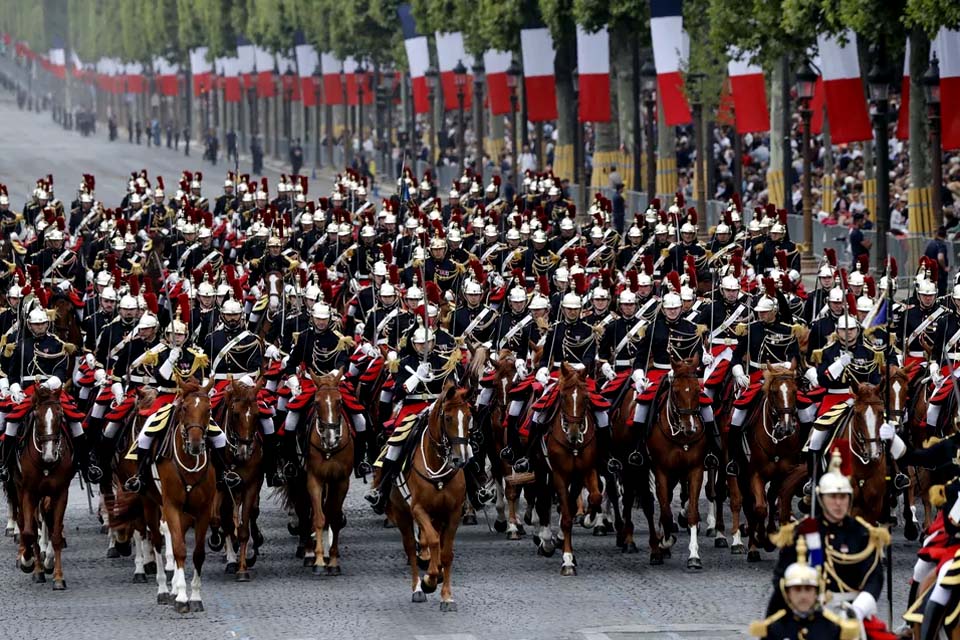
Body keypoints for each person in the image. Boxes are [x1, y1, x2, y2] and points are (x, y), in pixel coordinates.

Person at [924, 226, 951, 296]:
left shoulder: (930, 244)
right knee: (940, 295)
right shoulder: (941, 244)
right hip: (939, 275)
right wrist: (945, 267)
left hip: (929, 273)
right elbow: (940, 257)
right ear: (945, 235)